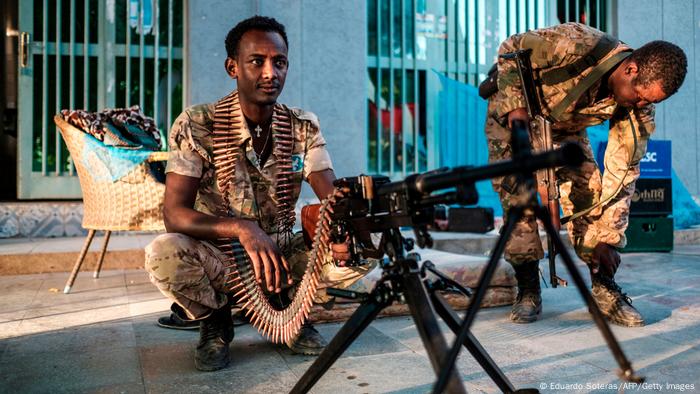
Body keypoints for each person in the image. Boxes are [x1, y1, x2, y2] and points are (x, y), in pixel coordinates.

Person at [144, 15, 373, 371]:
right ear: (232, 67)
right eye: (257, 61)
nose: (270, 72)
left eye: (279, 62)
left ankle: (289, 313)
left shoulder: (301, 126)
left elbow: (327, 190)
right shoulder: (198, 123)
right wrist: (240, 228)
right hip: (223, 258)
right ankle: (216, 319)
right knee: (164, 253)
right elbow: (174, 214)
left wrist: (342, 226)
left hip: (282, 255)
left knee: (365, 249)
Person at [483, 22, 687, 327]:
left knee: (590, 194)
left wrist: (607, 238)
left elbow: (623, 174)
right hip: (515, 120)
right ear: (630, 69)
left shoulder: (639, 109)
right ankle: (527, 287)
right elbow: (511, 48)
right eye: (640, 97)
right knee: (519, 198)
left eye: (651, 102)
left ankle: (604, 286)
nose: (642, 105)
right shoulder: (578, 43)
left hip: (565, 129)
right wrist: (518, 117)